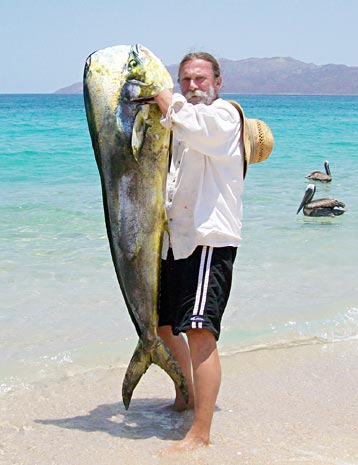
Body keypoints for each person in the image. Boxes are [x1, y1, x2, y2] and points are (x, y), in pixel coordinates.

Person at [153, 52, 244, 453]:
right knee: (164, 327)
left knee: (199, 332)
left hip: (209, 239)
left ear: (218, 82)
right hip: (177, 240)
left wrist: (165, 99)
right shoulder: (179, 122)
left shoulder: (224, 116)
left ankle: (201, 432)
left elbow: (196, 125)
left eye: (200, 79)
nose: (192, 86)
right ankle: (187, 395)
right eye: (185, 80)